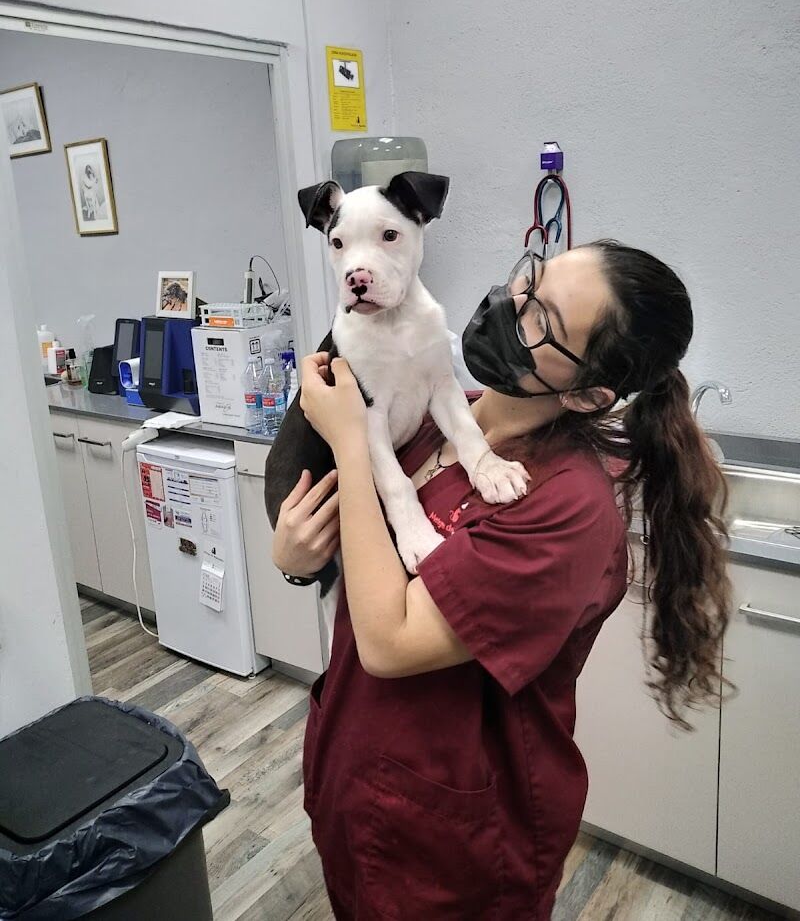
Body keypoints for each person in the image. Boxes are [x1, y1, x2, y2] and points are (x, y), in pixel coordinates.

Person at [272, 240, 731, 920]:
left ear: (587, 393)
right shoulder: (434, 415)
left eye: (541, 319)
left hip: (452, 845)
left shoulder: (566, 507)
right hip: (356, 782)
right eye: (529, 279)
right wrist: (295, 558)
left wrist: (349, 440)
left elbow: (390, 639)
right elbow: (358, 550)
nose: (510, 304)